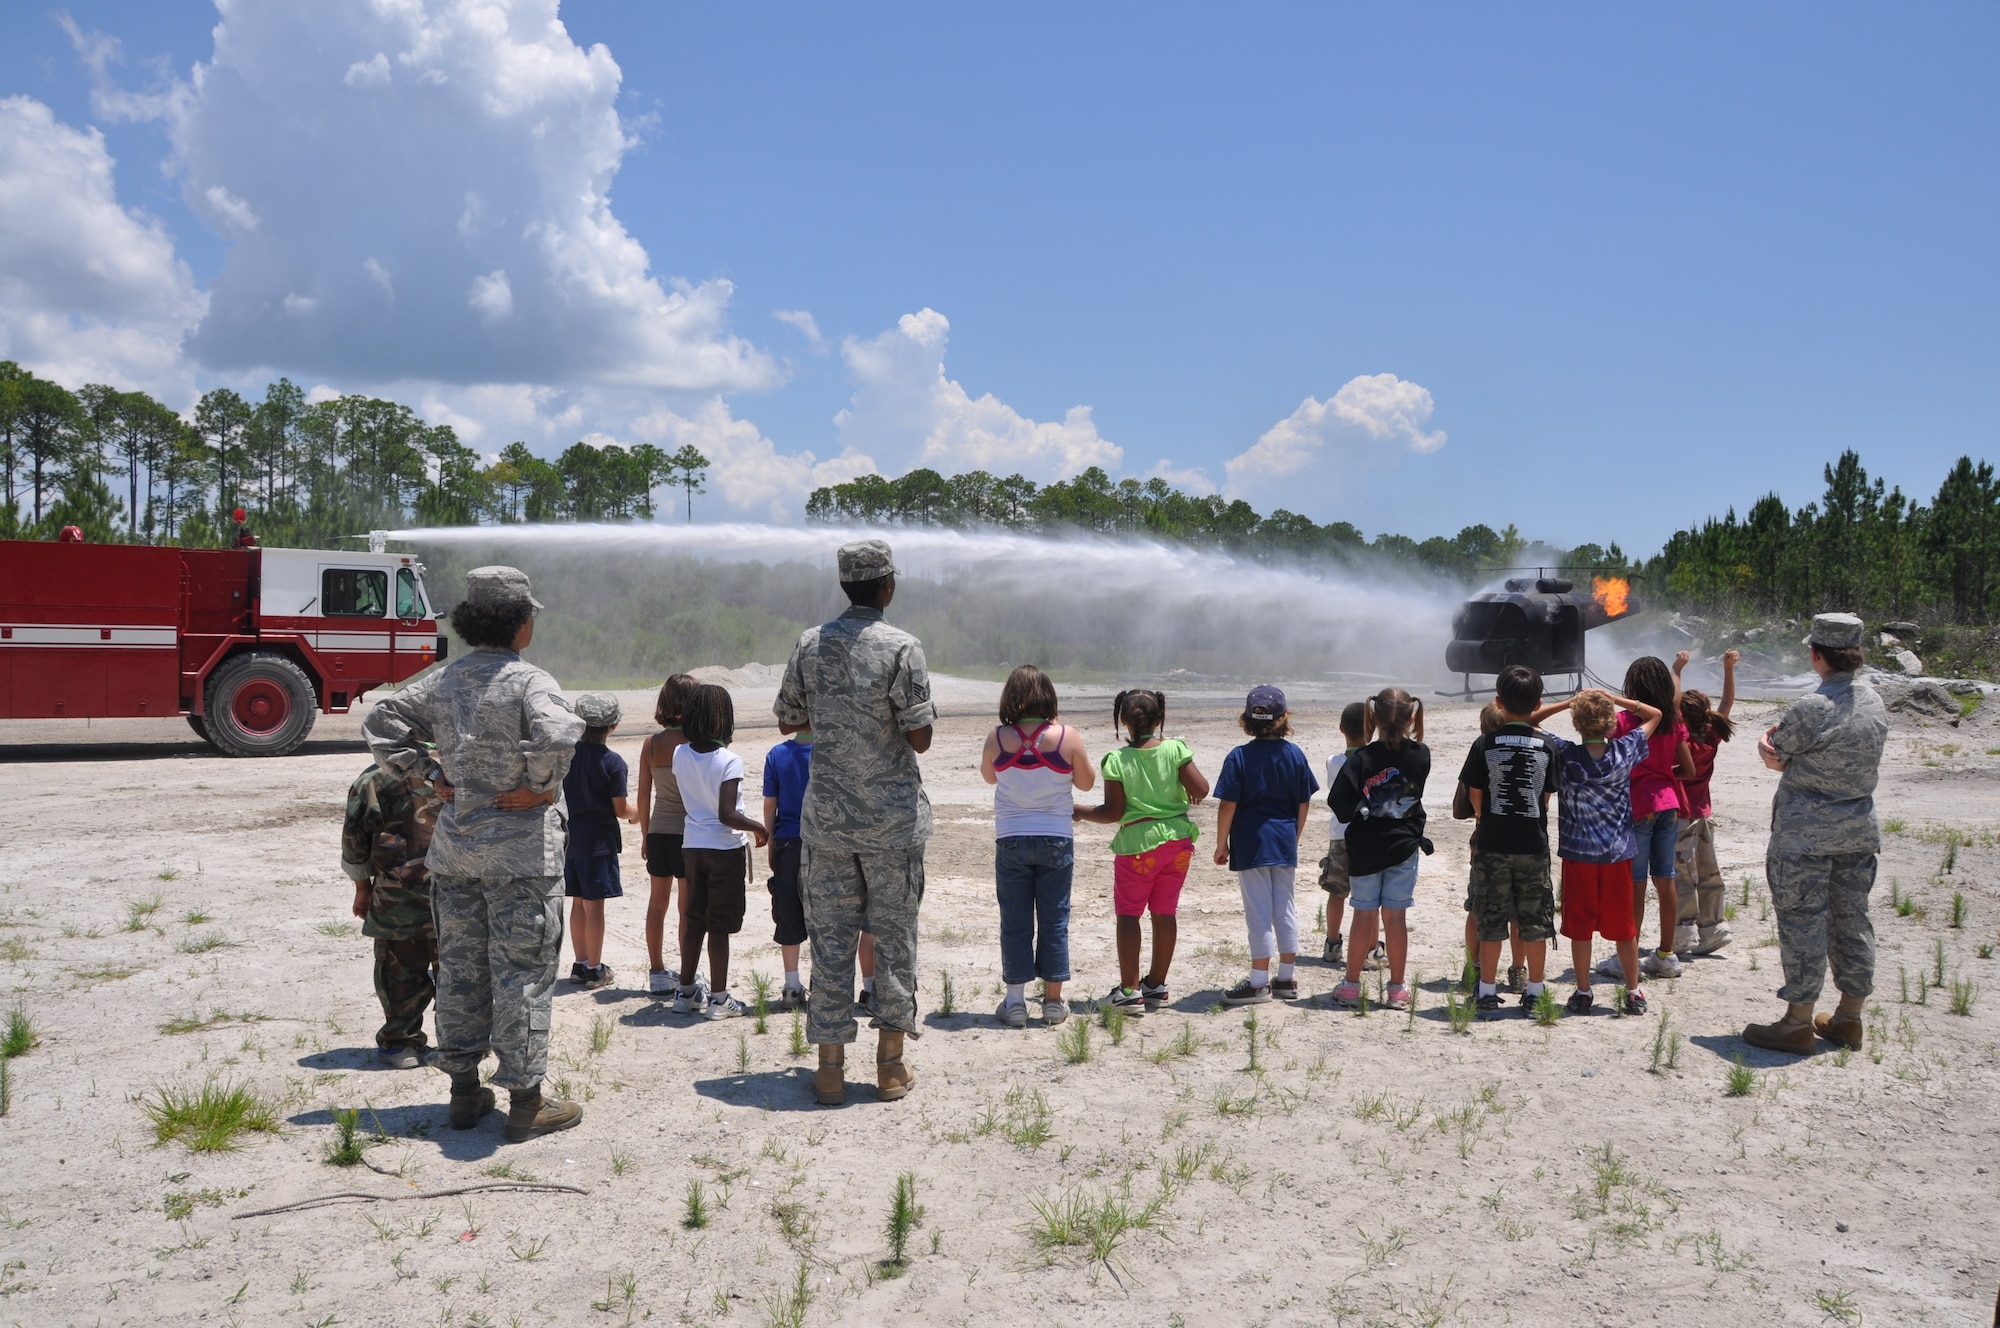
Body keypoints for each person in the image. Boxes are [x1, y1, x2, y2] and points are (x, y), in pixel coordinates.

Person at [362, 565, 585, 1143]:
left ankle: (464, 1092)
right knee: (523, 974)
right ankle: (527, 1103)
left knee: (460, 969)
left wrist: (430, 774)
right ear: (520, 622)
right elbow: (561, 733)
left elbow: (381, 719)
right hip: (520, 856)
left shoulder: (442, 680)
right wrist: (540, 785)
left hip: (456, 851)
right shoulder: (530, 681)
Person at [775, 539, 937, 1106]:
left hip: (827, 823)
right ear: (887, 585)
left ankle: (829, 1072)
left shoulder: (810, 644)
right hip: (891, 825)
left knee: (832, 940)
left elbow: (788, 718)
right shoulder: (903, 648)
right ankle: (890, 1066)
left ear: (846, 585)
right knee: (894, 939)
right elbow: (921, 736)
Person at [1743, 614, 1888, 1054]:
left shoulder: (1813, 706)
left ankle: (1797, 1022)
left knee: (1803, 922)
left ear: (1816, 654)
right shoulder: (1875, 702)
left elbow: (1775, 750)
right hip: (1858, 830)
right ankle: (1848, 1018)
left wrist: (1771, 750)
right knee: (1853, 921)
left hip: (1805, 838)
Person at [1078, 689, 1209, 1015]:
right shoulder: (1175, 750)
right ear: (1160, 718)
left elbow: (1113, 813)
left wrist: (1080, 811)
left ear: (1123, 721)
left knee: (1129, 915)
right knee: (1165, 912)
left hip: (1138, 848)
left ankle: (1128, 991)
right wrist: (1184, 792)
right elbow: (1202, 789)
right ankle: (1156, 985)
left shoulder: (1117, 760)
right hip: (1178, 844)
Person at [981, 666, 1095, 1028]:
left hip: (1012, 837)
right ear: (1048, 695)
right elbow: (1087, 783)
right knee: (1054, 919)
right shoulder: (1067, 737)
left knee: (1014, 921)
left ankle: (1015, 1004)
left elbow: (989, 776)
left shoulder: (997, 738)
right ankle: (1052, 1002)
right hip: (1055, 837)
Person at [1548, 689, 1661, 1015]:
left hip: (1578, 855)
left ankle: (1583, 992)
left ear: (1576, 722)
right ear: (1612, 723)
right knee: (1624, 929)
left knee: (1581, 928)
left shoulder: (1566, 754)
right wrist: (1616, 698)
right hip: (1616, 855)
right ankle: (1634, 992)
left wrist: (1567, 702)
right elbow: (1655, 715)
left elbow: (1526, 720)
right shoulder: (1625, 751)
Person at [1459, 665, 1562, 1017]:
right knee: (1534, 920)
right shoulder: (1547, 745)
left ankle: (1486, 991)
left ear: (1499, 703)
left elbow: (1475, 793)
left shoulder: (1484, 743)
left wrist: (1483, 816)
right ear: (1538, 704)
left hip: (1492, 844)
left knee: (1490, 919)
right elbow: (1547, 795)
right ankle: (1534, 991)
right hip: (1532, 845)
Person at [1212, 685, 1319, 1005]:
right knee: (1284, 907)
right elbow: (1304, 802)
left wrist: (1221, 844)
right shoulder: (1295, 754)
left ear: (1246, 720)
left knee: (1258, 911)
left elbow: (1228, 805)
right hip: (1284, 841)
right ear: (1283, 718)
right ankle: (1286, 978)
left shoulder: (1239, 756)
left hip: (1251, 843)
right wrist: (1294, 837)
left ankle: (1259, 982)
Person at [672, 684, 771, 1020]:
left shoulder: (679, 754)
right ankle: (719, 998)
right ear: (724, 720)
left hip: (692, 845)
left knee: (694, 920)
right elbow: (727, 814)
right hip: (723, 849)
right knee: (719, 926)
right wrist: (759, 827)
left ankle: (685, 991)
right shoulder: (729, 760)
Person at [1328, 688, 1431, 1009]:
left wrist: (1363, 806)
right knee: (1396, 918)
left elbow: (1339, 803)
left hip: (1366, 849)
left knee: (1363, 914)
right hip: (1403, 846)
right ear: (1412, 718)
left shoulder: (1361, 759)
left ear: (1372, 718)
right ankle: (1397, 988)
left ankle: (1351, 986)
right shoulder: (1421, 754)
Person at [1598, 654, 1698, 982]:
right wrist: (1660, 773)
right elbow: (1689, 770)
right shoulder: (1673, 721)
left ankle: (1629, 953)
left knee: (1635, 884)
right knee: (1666, 878)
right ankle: (1666, 955)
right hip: (1669, 804)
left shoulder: (1624, 723)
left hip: (1636, 807)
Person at [339, 758, 444, 1069]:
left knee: (399, 972)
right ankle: (463, 1043)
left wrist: (362, 887)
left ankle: (401, 1043)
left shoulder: (375, 777)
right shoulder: (460, 765)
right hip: (459, 898)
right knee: (461, 972)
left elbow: (355, 838)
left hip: (397, 898)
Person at [634, 674, 699, 997]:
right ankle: (687, 973)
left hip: (659, 830)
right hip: (688, 833)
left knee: (656, 904)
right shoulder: (694, 742)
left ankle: (657, 971)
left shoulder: (651, 744)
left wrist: (645, 834)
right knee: (686, 908)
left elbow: (643, 797)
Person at [1672, 649, 1739, 958]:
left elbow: (1672, 707)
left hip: (1681, 816)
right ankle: (1713, 928)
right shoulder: (1712, 734)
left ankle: (1684, 931)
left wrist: (1677, 668)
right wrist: (1728, 669)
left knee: (1683, 875)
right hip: (1703, 814)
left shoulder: (1681, 738)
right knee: (1709, 872)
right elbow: (1726, 704)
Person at [1455, 702, 1526, 990]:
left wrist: (1482, 813)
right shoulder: (1522, 750)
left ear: (1483, 728)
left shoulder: (1481, 750)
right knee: (1518, 913)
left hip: (1484, 840)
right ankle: (1518, 970)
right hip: (1520, 840)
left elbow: (1466, 801)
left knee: (1478, 907)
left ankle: (1474, 965)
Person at [563, 692, 630, 990]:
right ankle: (595, 968)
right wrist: (637, 814)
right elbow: (620, 808)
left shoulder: (566, 757)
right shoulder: (613, 762)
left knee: (577, 901)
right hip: (598, 842)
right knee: (595, 906)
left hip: (570, 838)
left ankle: (580, 962)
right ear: (612, 726)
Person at [763, 724, 815, 1010]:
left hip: (787, 840)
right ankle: (822, 984)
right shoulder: (828, 753)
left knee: (788, 912)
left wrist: (771, 844)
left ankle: (792, 985)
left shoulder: (777, 754)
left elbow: (770, 807)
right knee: (824, 915)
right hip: (822, 841)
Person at [1317, 702, 1367, 969]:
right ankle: (1371, 948)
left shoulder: (1333, 761)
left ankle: (1332, 942)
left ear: (1341, 729)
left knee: (1336, 892)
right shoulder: (1373, 761)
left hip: (1339, 835)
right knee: (1367, 897)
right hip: (1368, 835)